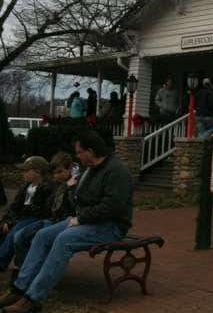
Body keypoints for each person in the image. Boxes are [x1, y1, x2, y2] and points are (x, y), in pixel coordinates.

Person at [0, 131, 133, 313]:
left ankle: (33, 299)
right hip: (86, 220)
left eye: (79, 152)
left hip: (111, 225)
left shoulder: (117, 171)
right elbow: (80, 196)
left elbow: (112, 207)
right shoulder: (89, 170)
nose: (77, 156)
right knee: (42, 235)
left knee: (64, 240)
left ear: (90, 151)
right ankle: (19, 288)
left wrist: (81, 217)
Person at [12, 152, 80, 276]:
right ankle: (23, 268)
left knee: (41, 237)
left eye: (59, 172)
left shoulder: (77, 183)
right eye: (54, 173)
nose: (56, 176)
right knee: (19, 236)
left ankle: (32, 273)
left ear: (69, 168)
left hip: (66, 222)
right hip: (50, 219)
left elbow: (76, 208)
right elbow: (49, 207)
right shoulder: (55, 184)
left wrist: (69, 188)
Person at [0, 157, 53, 273]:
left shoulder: (47, 188)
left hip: (34, 219)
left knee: (13, 234)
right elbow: (15, 206)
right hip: (21, 217)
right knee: (3, 229)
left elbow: (44, 210)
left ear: (38, 172)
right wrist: (7, 219)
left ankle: (2, 261)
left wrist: (14, 221)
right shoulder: (25, 187)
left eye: (26, 170)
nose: (23, 173)